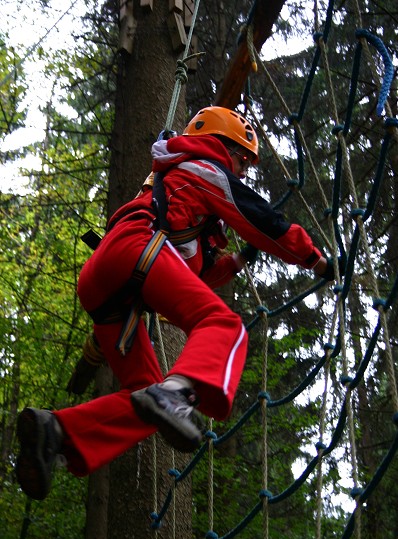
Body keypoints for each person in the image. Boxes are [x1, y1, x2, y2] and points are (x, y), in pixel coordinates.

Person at [15, 106, 334, 501]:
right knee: (224, 325)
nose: (242, 171)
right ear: (220, 145)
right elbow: (262, 219)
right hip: (136, 251)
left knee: (144, 394)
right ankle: (178, 393)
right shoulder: (203, 168)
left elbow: (189, 275)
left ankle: (58, 432)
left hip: (110, 282)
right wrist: (316, 260)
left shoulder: (180, 192)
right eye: (241, 159)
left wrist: (236, 262)